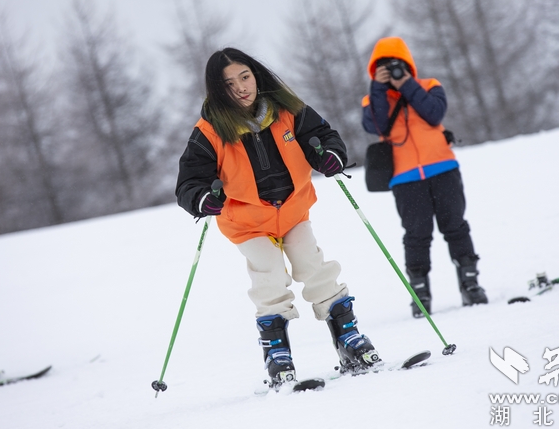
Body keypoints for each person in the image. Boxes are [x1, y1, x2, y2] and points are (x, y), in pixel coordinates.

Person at [176, 48, 381, 388]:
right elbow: (189, 182)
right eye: (229, 83)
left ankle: (349, 340)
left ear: (256, 75)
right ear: (217, 89)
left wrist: (329, 156)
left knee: (315, 269)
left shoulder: (288, 111)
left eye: (245, 76)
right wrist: (202, 199)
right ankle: (277, 354)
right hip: (247, 222)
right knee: (269, 277)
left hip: (293, 209)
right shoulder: (210, 130)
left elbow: (325, 137)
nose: (241, 87)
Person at [361, 36, 488, 318]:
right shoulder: (372, 98)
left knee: (455, 226)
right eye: (383, 66)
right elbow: (376, 126)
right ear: (374, 70)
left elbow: (434, 114)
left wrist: (406, 83)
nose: (391, 70)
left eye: (396, 64)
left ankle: (471, 285)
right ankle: (420, 294)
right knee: (416, 235)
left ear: (407, 64)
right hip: (405, 178)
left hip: (442, 168)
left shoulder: (429, 86)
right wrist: (380, 89)